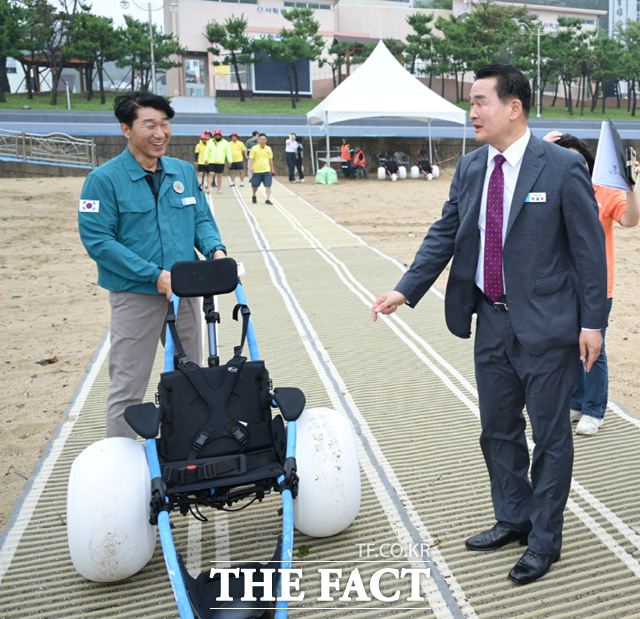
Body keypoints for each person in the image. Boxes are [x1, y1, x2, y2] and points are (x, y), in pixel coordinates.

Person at [372, 64, 607, 585]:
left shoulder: (562, 166)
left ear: (513, 107)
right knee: (498, 432)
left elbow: (590, 254)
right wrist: (405, 288)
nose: (471, 111)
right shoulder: (473, 166)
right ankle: (514, 518)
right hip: (490, 321)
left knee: (550, 439)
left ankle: (545, 540)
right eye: (471, 103)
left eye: (480, 102)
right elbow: (445, 232)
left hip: (549, 328)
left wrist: (594, 323)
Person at [78, 90, 227, 439]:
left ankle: (190, 453)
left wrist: (216, 251)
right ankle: (121, 470)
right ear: (126, 129)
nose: (160, 133)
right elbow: (99, 242)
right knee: (129, 387)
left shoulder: (184, 171)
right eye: (149, 125)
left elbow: (201, 219)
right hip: (136, 295)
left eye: (165, 124)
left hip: (185, 292)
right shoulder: (103, 180)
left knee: (193, 379)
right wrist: (154, 275)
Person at [543, 131, 640, 436]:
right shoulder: (550, 187)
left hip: (597, 286)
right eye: (565, 159)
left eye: (580, 160)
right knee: (571, 347)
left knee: (594, 348)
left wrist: (633, 188)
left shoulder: (604, 189)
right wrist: (542, 148)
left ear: (588, 162)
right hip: (562, 285)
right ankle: (576, 402)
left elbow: (629, 219)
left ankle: (595, 409)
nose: (575, 165)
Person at [249, 133, 275, 205]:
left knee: (268, 185)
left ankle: (268, 198)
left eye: (264, 139)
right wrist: (251, 167)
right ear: (258, 140)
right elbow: (251, 158)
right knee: (255, 186)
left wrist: (272, 168)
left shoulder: (269, 149)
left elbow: (270, 159)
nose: (262, 141)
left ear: (266, 140)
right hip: (257, 170)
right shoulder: (254, 148)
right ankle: (254, 195)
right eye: (261, 139)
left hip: (266, 170)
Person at [204, 129, 232, 194]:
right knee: (211, 174)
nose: (217, 136)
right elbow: (207, 151)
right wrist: (205, 159)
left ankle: (219, 189)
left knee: (219, 175)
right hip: (212, 161)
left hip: (220, 161)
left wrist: (230, 160)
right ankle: (208, 188)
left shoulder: (225, 143)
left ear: (220, 135)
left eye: (218, 135)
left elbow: (228, 152)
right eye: (216, 135)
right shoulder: (210, 142)